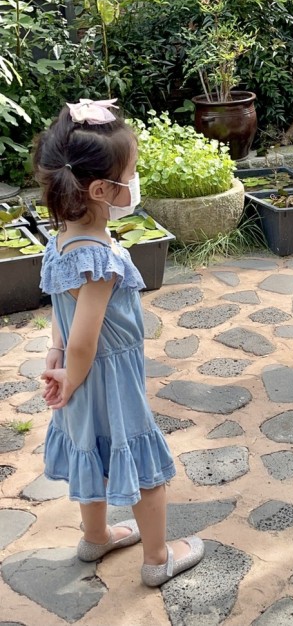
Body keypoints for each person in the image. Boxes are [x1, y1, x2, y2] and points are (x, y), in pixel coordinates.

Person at [33, 98, 204, 587]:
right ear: (102, 189)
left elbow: (62, 318)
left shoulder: (61, 239)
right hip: (107, 376)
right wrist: (73, 366)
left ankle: (96, 536)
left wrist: (57, 358)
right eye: (132, 173)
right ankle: (156, 559)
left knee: (91, 448)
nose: (135, 181)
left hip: (79, 379)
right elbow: (87, 337)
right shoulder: (101, 261)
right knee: (142, 461)